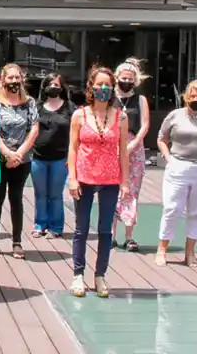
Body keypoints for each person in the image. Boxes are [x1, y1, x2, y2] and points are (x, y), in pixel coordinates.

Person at [67, 66, 130, 298]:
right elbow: (73, 149)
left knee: (105, 231)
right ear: (91, 87)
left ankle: (100, 275)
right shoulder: (79, 115)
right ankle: (78, 274)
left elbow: (123, 151)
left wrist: (125, 182)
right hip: (84, 178)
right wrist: (72, 178)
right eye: (99, 84)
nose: (103, 88)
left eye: (107, 84)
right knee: (81, 229)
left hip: (110, 179)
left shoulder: (121, 116)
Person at [155, 80, 197, 267]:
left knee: (196, 212)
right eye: (192, 96)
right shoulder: (175, 115)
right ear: (186, 97)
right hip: (178, 166)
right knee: (171, 209)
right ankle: (162, 249)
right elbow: (161, 138)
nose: (195, 99)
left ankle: (190, 253)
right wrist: (167, 156)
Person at [0, 63, 39, 260]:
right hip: (0, 158)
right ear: (3, 79)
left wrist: (19, 154)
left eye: (17, 78)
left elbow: (34, 128)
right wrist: (7, 153)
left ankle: (17, 242)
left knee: (16, 199)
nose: (14, 82)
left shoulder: (30, 103)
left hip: (22, 160)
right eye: (10, 78)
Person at [112, 58, 150, 251]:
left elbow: (145, 124)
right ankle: (110, 234)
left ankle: (129, 235)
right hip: (111, 147)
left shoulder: (140, 100)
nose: (126, 81)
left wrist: (134, 143)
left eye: (130, 78)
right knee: (111, 190)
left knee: (131, 191)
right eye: (123, 78)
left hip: (134, 147)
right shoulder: (110, 97)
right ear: (117, 78)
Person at [31, 73, 71, 239]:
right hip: (38, 157)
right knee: (40, 193)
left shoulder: (69, 107)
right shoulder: (37, 106)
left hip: (60, 158)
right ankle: (40, 224)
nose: (54, 87)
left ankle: (56, 226)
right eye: (50, 84)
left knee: (55, 194)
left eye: (57, 84)